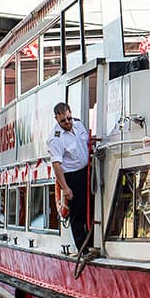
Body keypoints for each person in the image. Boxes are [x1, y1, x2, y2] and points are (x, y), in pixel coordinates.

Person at [49, 102, 91, 247]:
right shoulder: (56, 139)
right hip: (73, 176)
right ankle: (82, 247)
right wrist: (65, 188)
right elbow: (56, 165)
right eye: (63, 120)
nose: (67, 122)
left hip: (86, 171)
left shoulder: (78, 125)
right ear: (56, 119)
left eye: (69, 118)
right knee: (78, 213)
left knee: (90, 206)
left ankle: (92, 240)